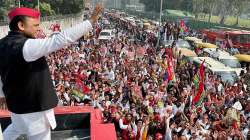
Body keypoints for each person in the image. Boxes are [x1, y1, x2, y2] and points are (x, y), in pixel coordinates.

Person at [0, 4, 102, 140]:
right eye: (35, 25)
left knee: (15, 129)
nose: (39, 28)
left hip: (17, 107)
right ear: (21, 25)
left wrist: (1, 94)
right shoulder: (26, 46)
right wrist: (90, 22)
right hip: (35, 112)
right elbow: (60, 39)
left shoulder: (2, 44)